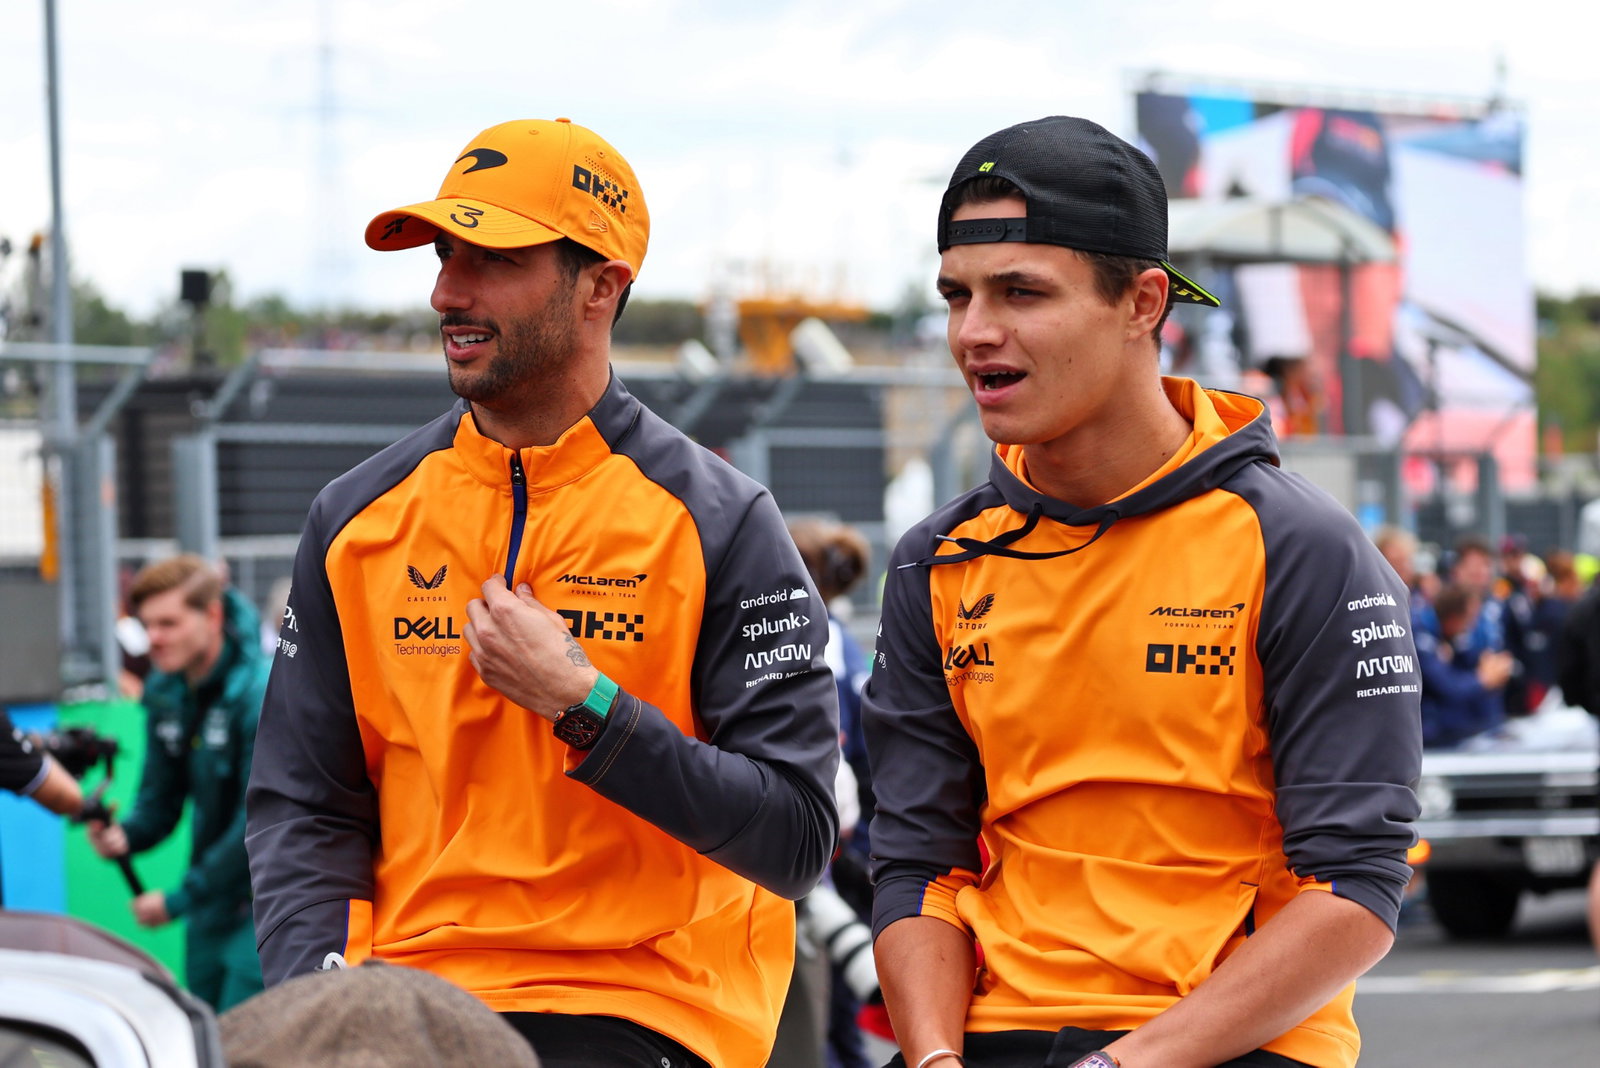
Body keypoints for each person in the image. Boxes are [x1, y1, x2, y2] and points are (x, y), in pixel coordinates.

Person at [245, 118, 840, 1068]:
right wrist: (326, 995)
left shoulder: (721, 522)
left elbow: (796, 837)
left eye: (493, 259)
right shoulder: (354, 519)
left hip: (640, 1005)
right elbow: (303, 804)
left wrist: (585, 705)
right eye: (445, 256)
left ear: (601, 285)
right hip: (407, 1006)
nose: (448, 292)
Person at [863, 116, 1421, 1068]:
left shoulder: (1300, 545)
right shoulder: (938, 558)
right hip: (994, 1037)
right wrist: (932, 1058)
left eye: (1021, 291)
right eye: (957, 294)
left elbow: (1357, 888)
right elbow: (919, 863)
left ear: (1143, 302)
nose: (974, 332)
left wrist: (1121, 1065)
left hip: (1233, 1041)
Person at [86, 553, 266, 1012]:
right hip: (209, 911)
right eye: (147, 625)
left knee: (244, 1039)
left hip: (266, 904)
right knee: (202, 1034)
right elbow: (160, 801)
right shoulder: (165, 690)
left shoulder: (260, 691)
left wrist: (180, 897)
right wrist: (126, 834)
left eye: (168, 623)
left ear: (212, 616)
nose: (154, 638)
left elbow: (258, 822)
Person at [1415, 584, 1513, 748]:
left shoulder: (1452, 635)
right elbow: (1447, 686)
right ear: (1453, 618)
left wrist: (1489, 663)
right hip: (1429, 738)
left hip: (1458, 733)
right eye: (1470, 618)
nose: (1472, 625)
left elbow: (1473, 663)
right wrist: (1483, 680)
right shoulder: (1419, 634)